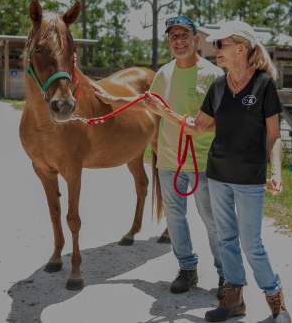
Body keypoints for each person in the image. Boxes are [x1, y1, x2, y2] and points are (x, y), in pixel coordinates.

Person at [145, 20, 291, 323]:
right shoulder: (219, 85)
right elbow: (198, 127)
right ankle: (233, 301)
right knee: (225, 239)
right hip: (218, 176)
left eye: (220, 44)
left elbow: (273, 134)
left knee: (251, 244)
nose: (215, 49)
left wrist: (276, 171)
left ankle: (277, 304)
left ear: (240, 48)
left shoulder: (264, 85)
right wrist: (165, 113)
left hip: (249, 179)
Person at [94, 15, 225, 296]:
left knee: (212, 220)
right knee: (175, 217)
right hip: (168, 160)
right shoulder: (164, 73)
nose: (178, 41)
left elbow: (222, 120)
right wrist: (116, 101)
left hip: (203, 161)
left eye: (184, 36)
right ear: (169, 41)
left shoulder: (214, 75)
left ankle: (226, 274)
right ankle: (187, 268)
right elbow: (148, 104)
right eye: (173, 37)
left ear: (196, 39)